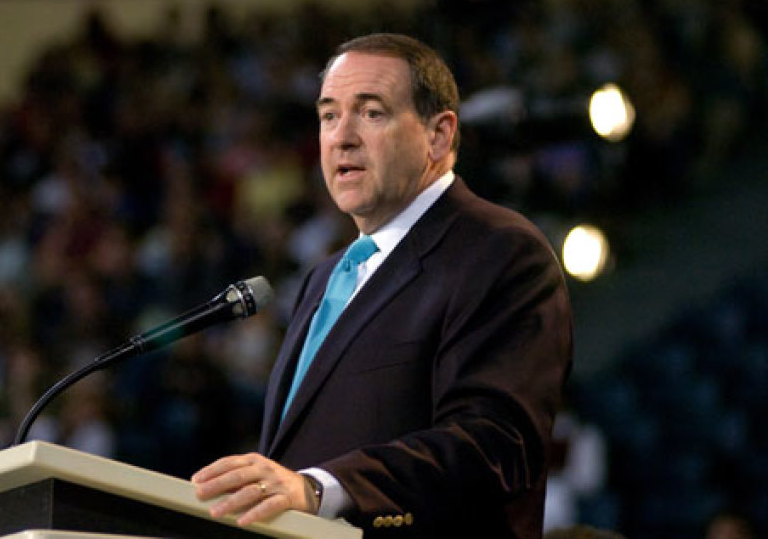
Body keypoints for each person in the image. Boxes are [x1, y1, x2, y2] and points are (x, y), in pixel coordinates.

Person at [192, 32, 573, 538]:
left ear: (438, 135)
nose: (342, 136)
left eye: (371, 113)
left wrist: (320, 489)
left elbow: (494, 444)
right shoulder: (325, 278)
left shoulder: (499, 251)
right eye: (329, 115)